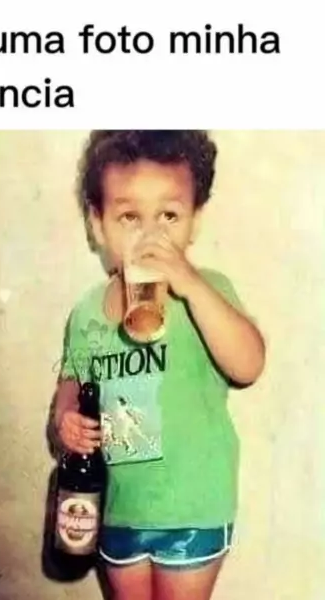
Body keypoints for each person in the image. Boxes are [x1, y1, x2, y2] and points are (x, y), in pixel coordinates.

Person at [51, 130, 265, 600]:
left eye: (168, 216)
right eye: (129, 216)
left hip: (191, 507)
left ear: (195, 221)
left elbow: (249, 365)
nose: (149, 235)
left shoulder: (206, 291)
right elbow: (73, 379)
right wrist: (65, 418)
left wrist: (190, 284)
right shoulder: (87, 312)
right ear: (97, 224)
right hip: (119, 506)